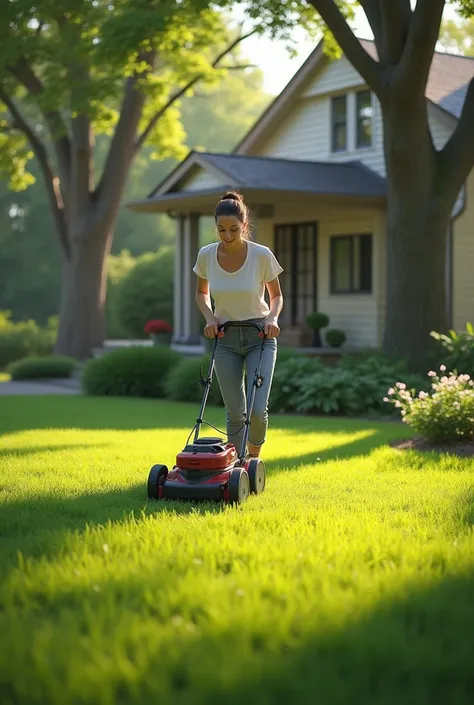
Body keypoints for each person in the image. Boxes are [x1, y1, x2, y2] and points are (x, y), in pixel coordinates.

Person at [193, 191, 284, 460]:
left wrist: (273, 319)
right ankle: (236, 464)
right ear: (216, 227)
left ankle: (252, 462)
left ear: (244, 226)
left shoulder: (261, 255)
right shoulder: (206, 255)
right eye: (221, 229)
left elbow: (276, 295)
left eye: (234, 229)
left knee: (257, 411)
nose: (228, 235)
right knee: (234, 412)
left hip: (260, 335)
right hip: (226, 337)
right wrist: (209, 317)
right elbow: (201, 293)